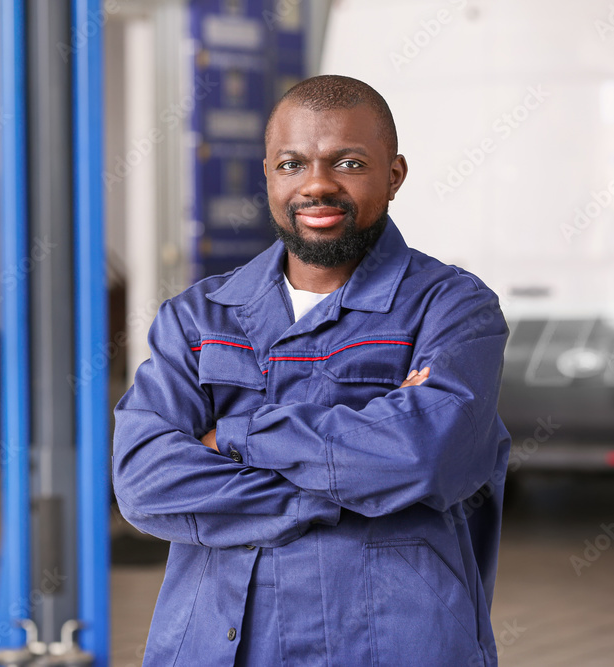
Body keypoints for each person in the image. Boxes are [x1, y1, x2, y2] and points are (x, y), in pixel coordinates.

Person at [112, 74, 511, 666]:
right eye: (292, 163)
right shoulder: (198, 317)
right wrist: (346, 488)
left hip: (392, 645)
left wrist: (238, 436)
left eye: (348, 162)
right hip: (218, 649)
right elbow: (146, 484)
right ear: (269, 174)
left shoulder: (453, 308)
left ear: (394, 175)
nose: (317, 185)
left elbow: (424, 457)